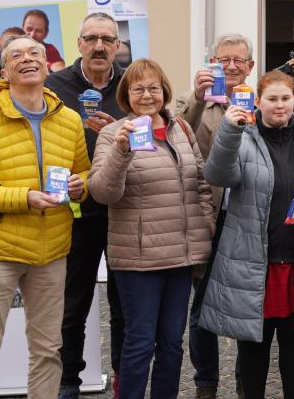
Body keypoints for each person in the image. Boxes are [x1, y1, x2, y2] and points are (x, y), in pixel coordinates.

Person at [0, 34, 89, 398]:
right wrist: (21, 198)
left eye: (35, 53)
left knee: (48, 352)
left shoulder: (69, 119)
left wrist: (78, 186)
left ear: (46, 62)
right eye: (17, 55)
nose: (28, 59)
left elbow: (84, 174)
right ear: (4, 70)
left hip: (51, 253)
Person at [197, 70, 294, 399]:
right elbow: (218, 174)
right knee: (253, 350)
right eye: (272, 99)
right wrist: (227, 131)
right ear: (258, 103)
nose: (279, 106)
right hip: (254, 265)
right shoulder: (243, 138)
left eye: (285, 98)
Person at [87, 58, 214, 399]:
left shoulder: (181, 130)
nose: (147, 95)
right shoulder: (114, 134)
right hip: (139, 258)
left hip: (181, 255)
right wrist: (121, 151)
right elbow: (102, 192)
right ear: (127, 95)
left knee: (172, 344)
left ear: (165, 92)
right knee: (140, 342)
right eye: (138, 88)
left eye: (154, 88)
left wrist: (206, 228)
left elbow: (200, 185)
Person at [45, 12, 127, 399]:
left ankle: (123, 375)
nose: (99, 46)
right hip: (72, 210)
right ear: (78, 44)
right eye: (91, 38)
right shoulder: (54, 85)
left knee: (124, 300)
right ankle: (67, 382)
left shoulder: (132, 85)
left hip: (123, 208)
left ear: (117, 46)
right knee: (72, 300)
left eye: (107, 39)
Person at [174, 32, 256, 398]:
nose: (232, 66)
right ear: (212, 63)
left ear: (251, 66)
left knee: (245, 301)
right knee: (203, 303)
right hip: (206, 212)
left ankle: (244, 380)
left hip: (248, 215)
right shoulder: (196, 102)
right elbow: (175, 130)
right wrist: (196, 94)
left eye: (239, 60)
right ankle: (206, 382)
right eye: (224, 60)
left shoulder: (259, 101)